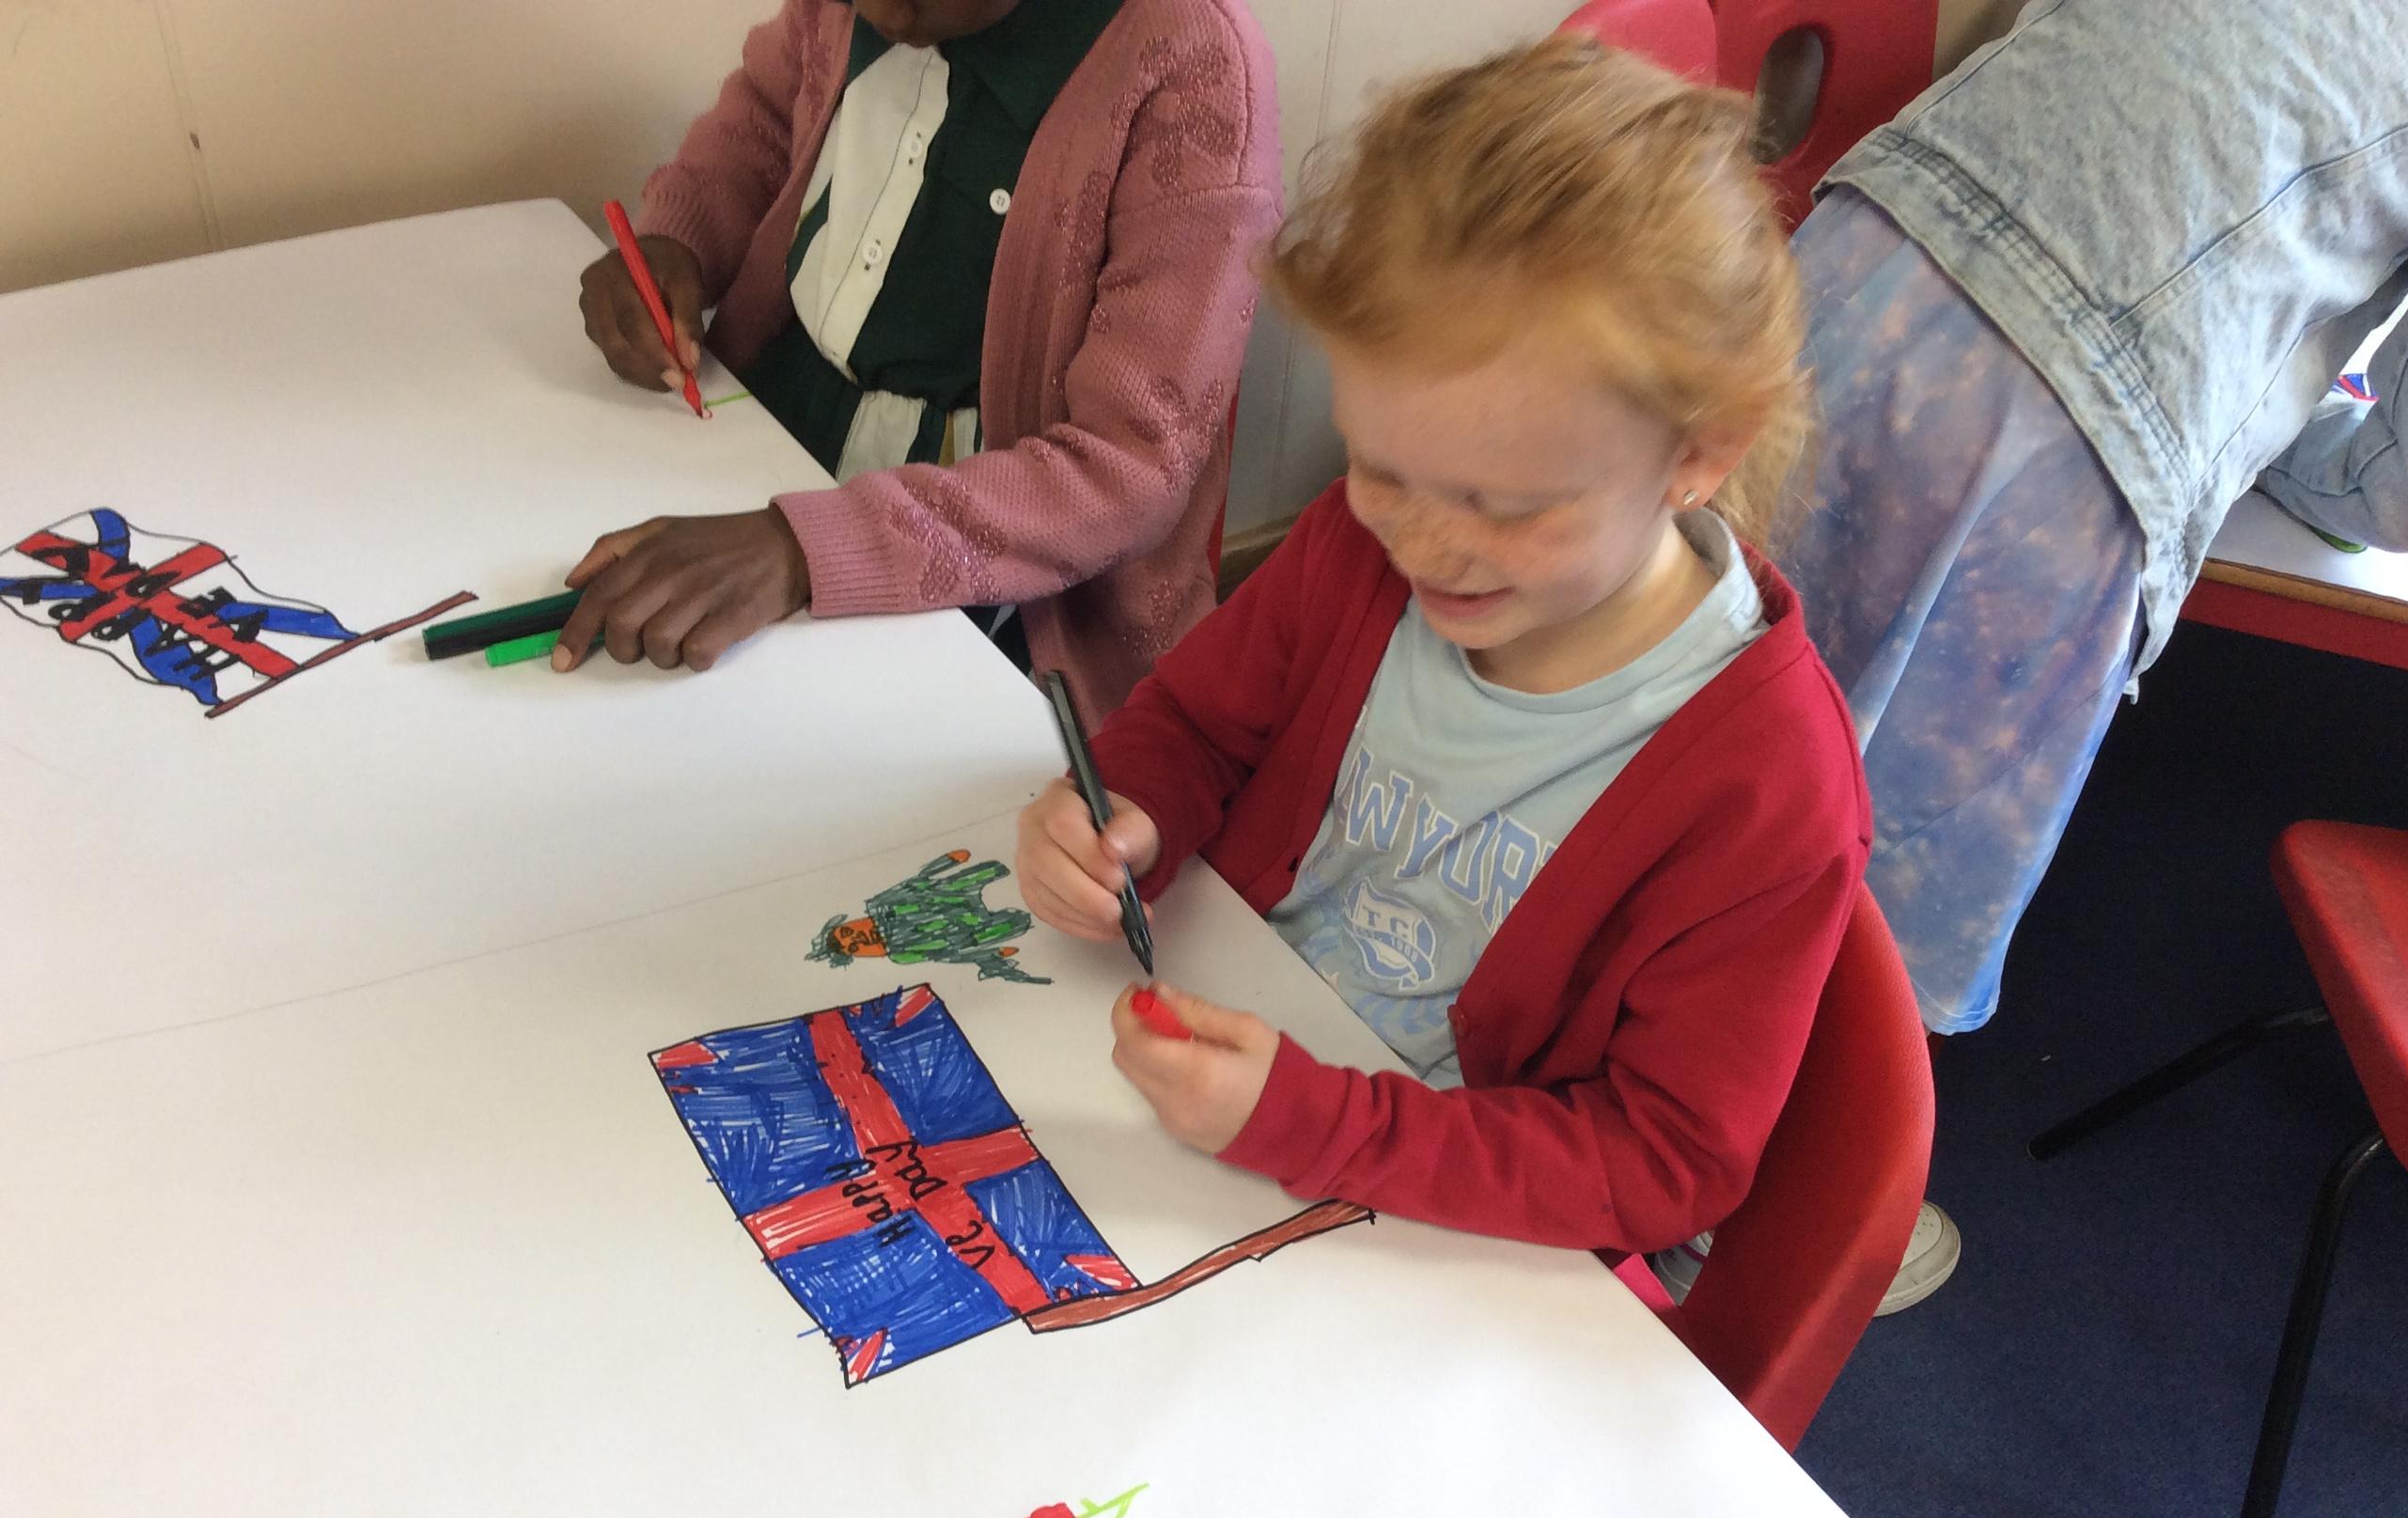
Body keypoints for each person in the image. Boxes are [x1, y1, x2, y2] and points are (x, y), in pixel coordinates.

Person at [1011, 39, 1869, 1262]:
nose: (1420, 542)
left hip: (1438, 1227)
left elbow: (1663, 1162)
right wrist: (1126, 817)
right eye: (1380, 467)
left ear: (1699, 455)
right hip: (1214, 1086)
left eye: (1505, 505)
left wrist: (1318, 1124)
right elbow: (1199, 726)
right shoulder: (1358, 549)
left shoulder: (1765, 781)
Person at [1772, 0, 2408, 1305]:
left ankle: (1566, 1083)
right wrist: (2260, 436)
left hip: (1853, 249)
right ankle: (1780, 1211)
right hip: (2069, 420)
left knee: (1706, 713)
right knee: (1901, 852)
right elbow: (2402, 489)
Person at [560, 0, 1283, 726]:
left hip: (1011, 587)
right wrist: (677, 241)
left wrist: (806, 550)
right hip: (769, 443)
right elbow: (767, 119)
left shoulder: (1192, 69)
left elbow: (1127, 469)